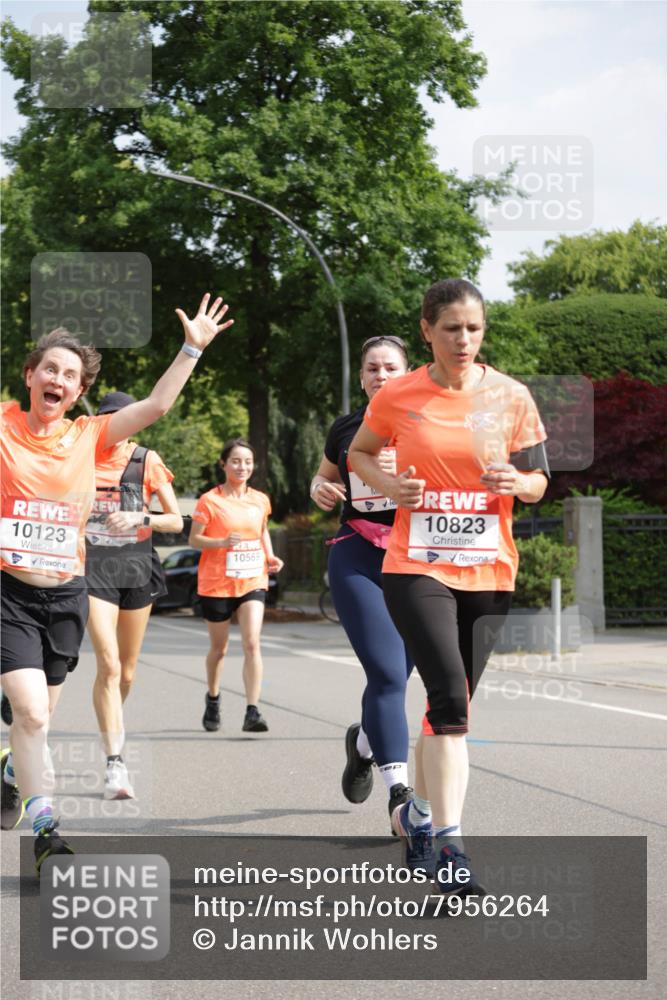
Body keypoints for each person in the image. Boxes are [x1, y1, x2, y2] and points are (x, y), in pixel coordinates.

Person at [0, 293, 233, 872]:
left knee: (40, 718)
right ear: (30, 376)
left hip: (65, 592)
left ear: (79, 393)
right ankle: (48, 829)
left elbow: (155, 405)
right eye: (49, 369)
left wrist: (190, 349)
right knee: (29, 713)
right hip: (8, 591)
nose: (58, 380)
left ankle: (11, 771)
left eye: (70, 375)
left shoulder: (90, 436)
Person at [349, 278, 548, 890]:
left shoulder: (512, 397)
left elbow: (540, 480)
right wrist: (390, 489)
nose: (464, 339)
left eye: (474, 328)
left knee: (445, 715)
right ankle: (452, 852)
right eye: (452, 328)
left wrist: (518, 486)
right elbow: (359, 454)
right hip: (417, 565)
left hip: (489, 568)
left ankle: (419, 812)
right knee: (451, 703)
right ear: (426, 331)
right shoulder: (400, 395)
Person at [310, 336, 414, 826]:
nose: (380, 375)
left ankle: (364, 742)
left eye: (390, 367)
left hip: (417, 555)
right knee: (389, 673)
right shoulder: (347, 427)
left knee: (397, 676)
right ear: (363, 377)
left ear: (407, 372)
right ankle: (400, 793)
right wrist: (321, 490)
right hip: (357, 554)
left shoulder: (428, 422)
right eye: (372, 368)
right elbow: (321, 477)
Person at [85, 391, 183, 800]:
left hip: (137, 567)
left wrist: (140, 515)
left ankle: (113, 721)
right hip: (93, 566)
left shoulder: (147, 460)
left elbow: (176, 520)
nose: (116, 429)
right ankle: (115, 763)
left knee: (126, 672)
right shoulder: (80, 455)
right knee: (107, 666)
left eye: (123, 420)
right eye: (109, 420)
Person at [189, 440, 284, 734]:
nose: (243, 467)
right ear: (224, 464)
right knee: (219, 649)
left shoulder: (260, 500)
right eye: (236, 461)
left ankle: (252, 710)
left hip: (252, 578)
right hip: (216, 582)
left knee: (252, 642)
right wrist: (220, 542)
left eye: (248, 461)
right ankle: (214, 698)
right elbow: (194, 540)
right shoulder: (209, 501)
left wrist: (269, 556)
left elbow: (262, 530)